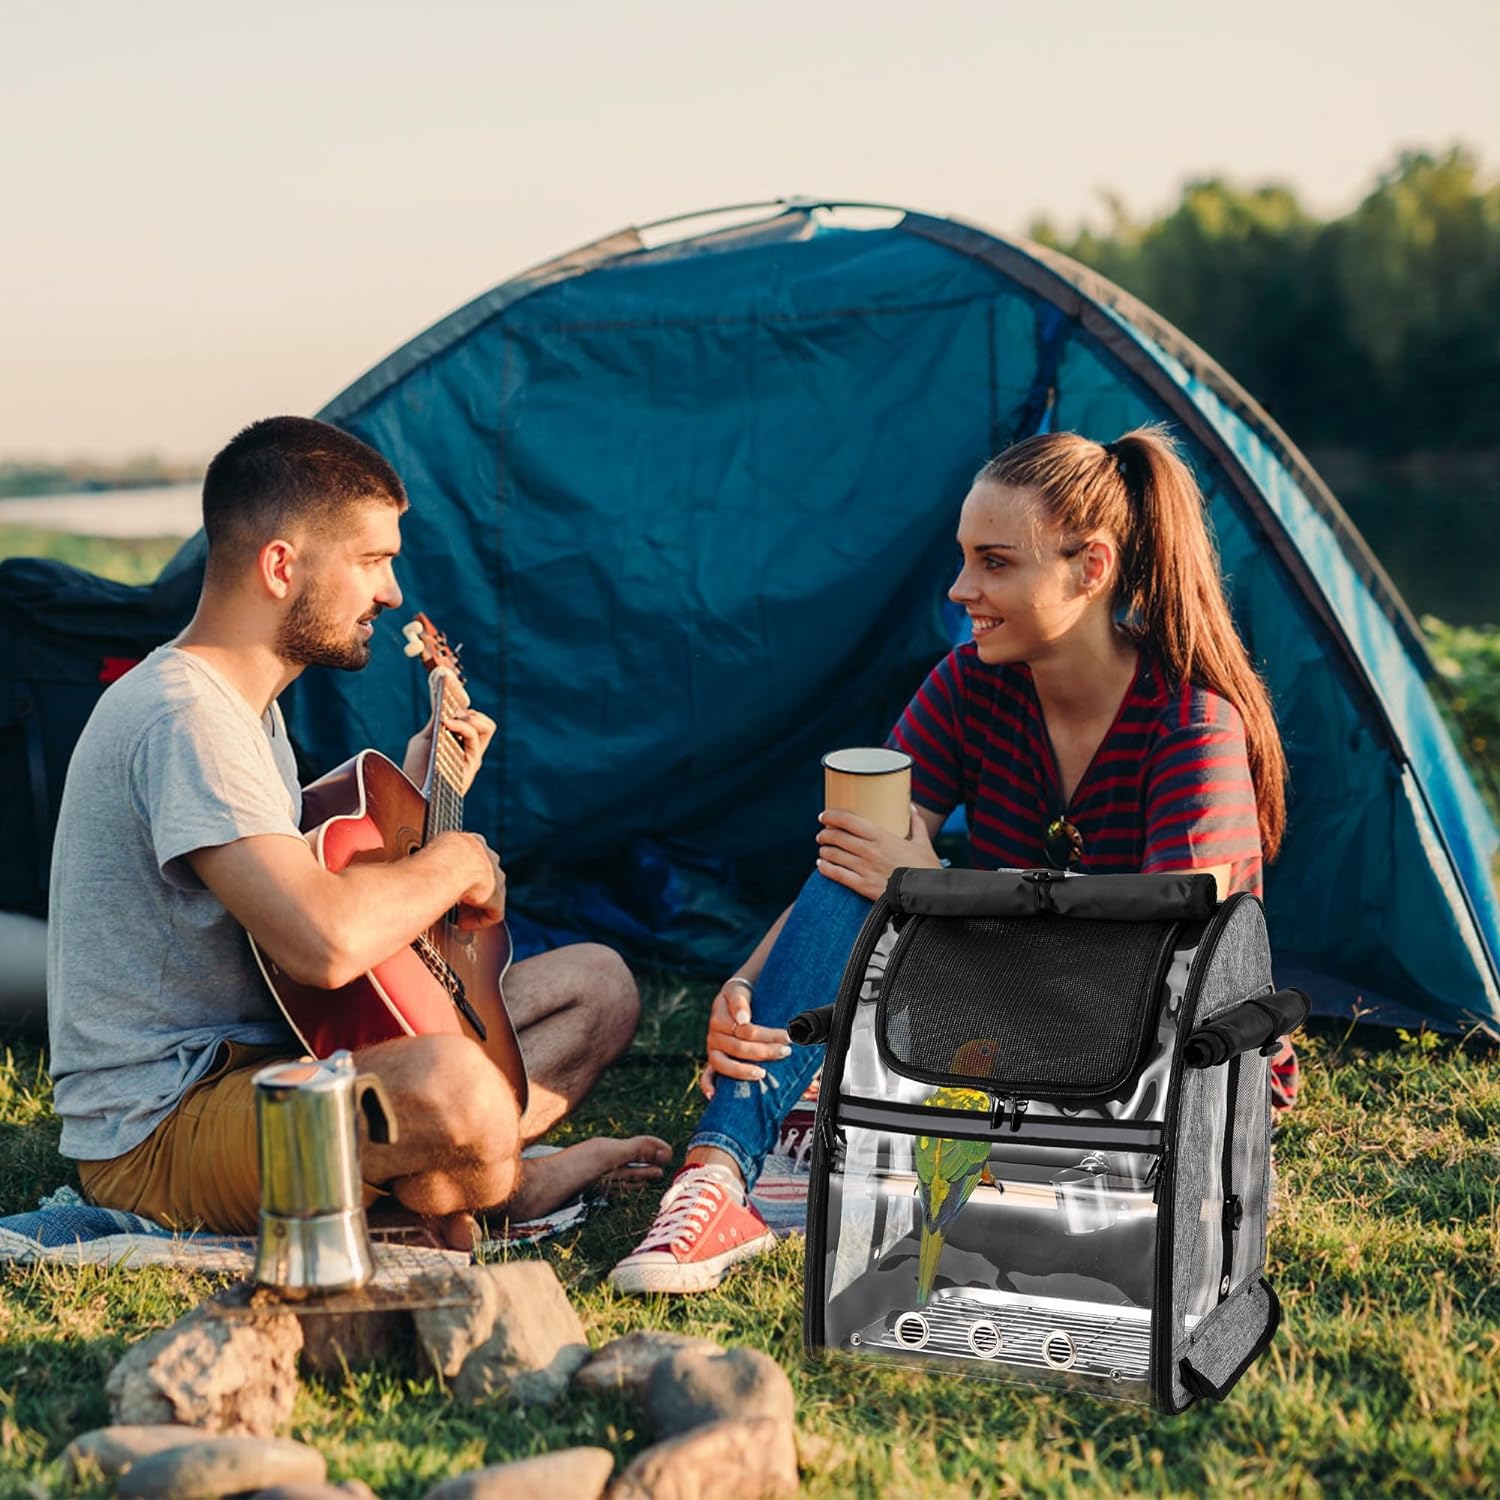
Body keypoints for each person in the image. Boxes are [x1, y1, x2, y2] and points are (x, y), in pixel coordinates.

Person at [609, 425, 1296, 1294]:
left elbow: (1166, 972)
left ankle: (839, 1151)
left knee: (903, 893)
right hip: (1009, 1014)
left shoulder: (1192, 726)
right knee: (861, 852)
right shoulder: (969, 683)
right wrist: (747, 987)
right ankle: (714, 1181)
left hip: (1160, 1052)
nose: (961, 588)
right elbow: (853, 873)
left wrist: (936, 888)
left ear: (1092, 568)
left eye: (996, 563)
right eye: (965, 558)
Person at [47, 416, 669, 1249]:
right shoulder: (183, 717)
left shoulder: (245, 713)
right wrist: (454, 859)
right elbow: (323, 943)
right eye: (372, 560)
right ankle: (497, 1182)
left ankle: (469, 1179)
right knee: (460, 1090)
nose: (392, 593)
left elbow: (302, 873)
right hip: (166, 1126)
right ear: (280, 566)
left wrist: (420, 791)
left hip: (285, 1052)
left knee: (597, 988)